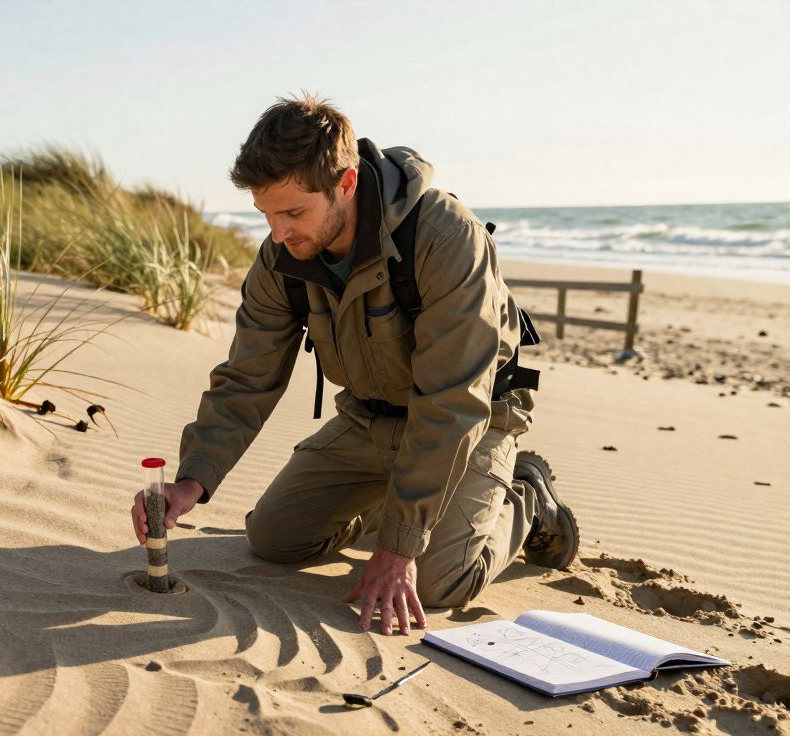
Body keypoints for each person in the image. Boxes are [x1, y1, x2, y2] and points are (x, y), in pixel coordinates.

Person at [129, 93, 579, 637]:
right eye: (265, 214)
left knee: (437, 583)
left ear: (346, 183)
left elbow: (453, 401)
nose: (277, 233)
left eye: (293, 213)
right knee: (274, 540)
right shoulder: (281, 255)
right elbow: (248, 377)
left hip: (475, 418)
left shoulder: (444, 236)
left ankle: (526, 493)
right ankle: (411, 503)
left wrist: (398, 546)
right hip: (369, 419)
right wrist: (191, 482)